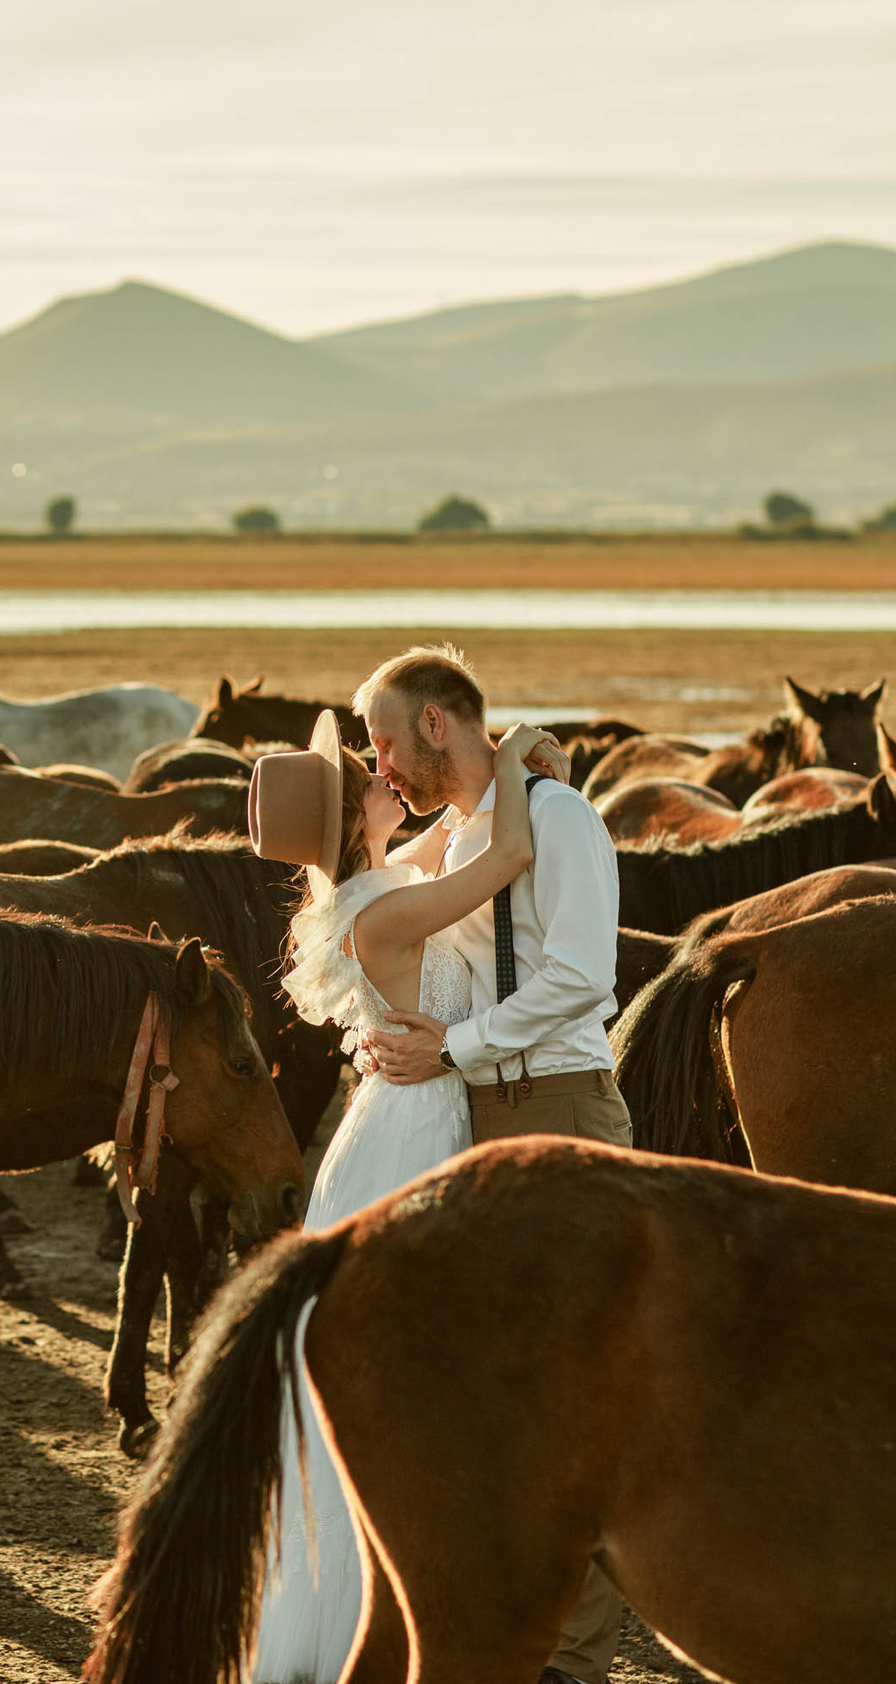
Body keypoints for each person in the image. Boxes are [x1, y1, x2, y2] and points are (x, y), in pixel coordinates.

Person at [243, 707, 564, 1683]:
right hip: (417, 1133)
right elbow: (504, 851)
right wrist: (516, 758)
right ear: (357, 817)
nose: (384, 774)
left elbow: (450, 837)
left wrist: (493, 759)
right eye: (366, 775)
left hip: (384, 1126)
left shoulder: (368, 886)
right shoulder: (384, 909)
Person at [359, 642, 632, 1684]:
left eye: (385, 739)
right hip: (462, 1114)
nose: (378, 764)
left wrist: (453, 1050)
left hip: (554, 1105)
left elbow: (579, 972)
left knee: (577, 1386)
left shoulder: (556, 819)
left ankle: (575, 1657)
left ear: (436, 724)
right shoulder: (471, 833)